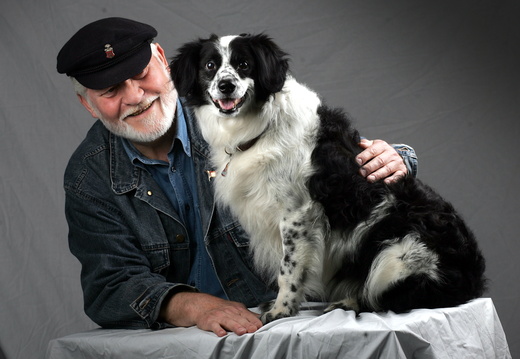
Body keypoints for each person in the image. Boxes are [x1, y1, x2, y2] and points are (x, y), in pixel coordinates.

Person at [57, 17, 418, 337]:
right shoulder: (87, 177)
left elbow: (329, 168)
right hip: (183, 339)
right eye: (110, 90)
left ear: (162, 60)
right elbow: (108, 287)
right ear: (88, 104)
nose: (135, 96)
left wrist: (396, 158)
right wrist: (192, 307)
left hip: (285, 323)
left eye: (141, 74)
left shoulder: (234, 115)